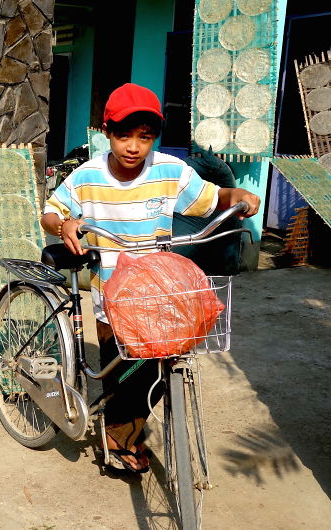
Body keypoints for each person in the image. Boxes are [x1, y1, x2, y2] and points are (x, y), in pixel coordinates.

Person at [40, 83, 260, 474]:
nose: (133, 146)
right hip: (110, 289)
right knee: (120, 369)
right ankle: (119, 437)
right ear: (107, 132)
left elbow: (213, 196)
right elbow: (50, 212)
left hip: (159, 287)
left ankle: (121, 430)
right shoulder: (87, 176)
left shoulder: (170, 171)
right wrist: (65, 225)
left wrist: (237, 194)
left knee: (163, 359)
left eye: (144, 137)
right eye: (124, 135)